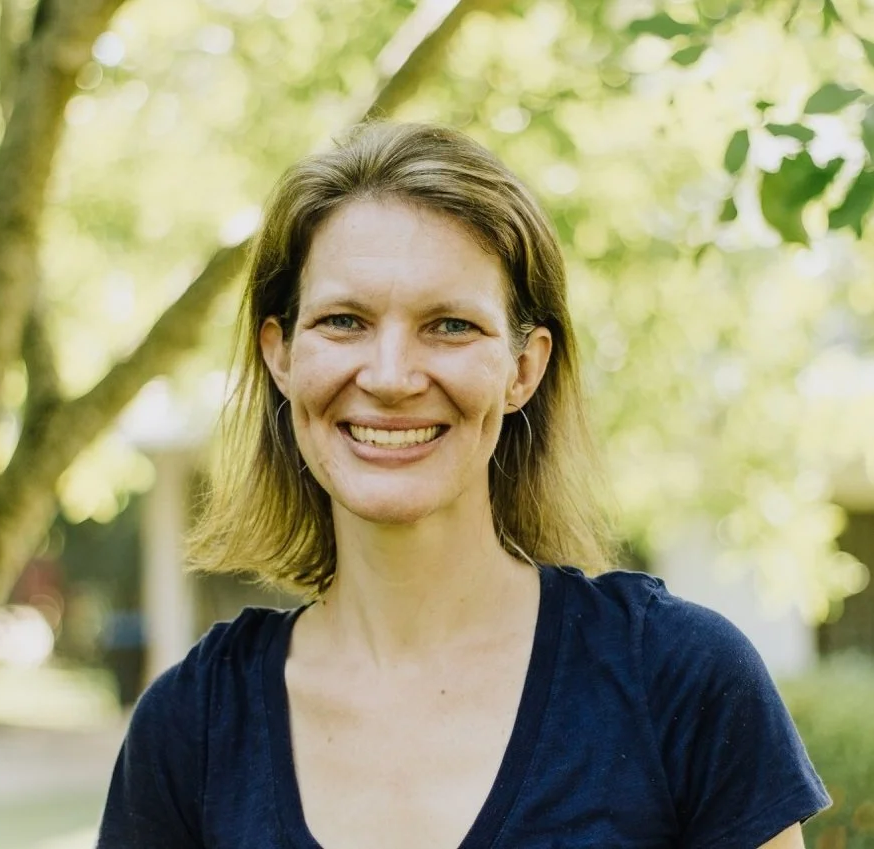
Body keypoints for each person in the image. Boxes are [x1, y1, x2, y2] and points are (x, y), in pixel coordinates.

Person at [96, 122, 830, 848]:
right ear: (280, 355)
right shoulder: (190, 725)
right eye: (344, 320)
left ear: (524, 367)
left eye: (448, 325)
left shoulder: (679, 678)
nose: (389, 377)